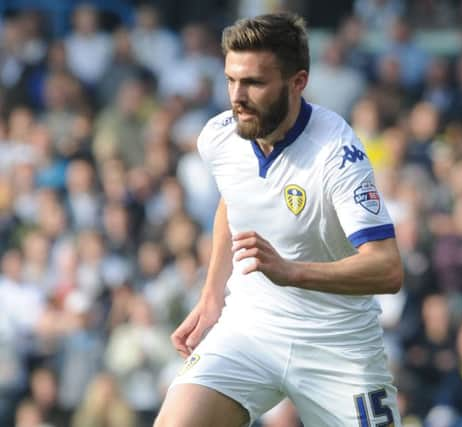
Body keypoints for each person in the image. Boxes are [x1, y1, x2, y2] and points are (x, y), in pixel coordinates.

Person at [154, 12, 403, 427]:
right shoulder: (218, 138)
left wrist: (292, 272)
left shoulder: (336, 153)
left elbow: (388, 267)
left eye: (253, 82)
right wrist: (213, 294)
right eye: (231, 80)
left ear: (298, 82)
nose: (237, 96)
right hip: (250, 329)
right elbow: (233, 201)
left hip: (336, 341)